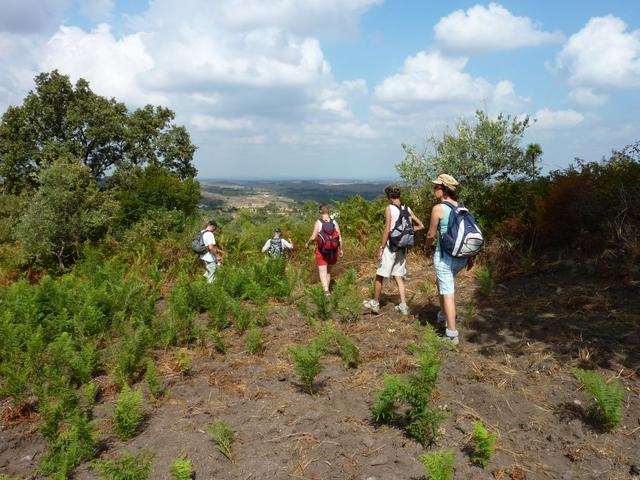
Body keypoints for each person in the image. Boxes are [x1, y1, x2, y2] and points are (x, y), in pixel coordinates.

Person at [425, 174, 473, 344]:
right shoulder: (461, 207)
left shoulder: (438, 208)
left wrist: (426, 246)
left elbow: (431, 234)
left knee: (448, 293)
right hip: (461, 258)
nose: (434, 189)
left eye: (436, 187)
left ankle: (452, 334)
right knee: (442, 284)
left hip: (445, 257)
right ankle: (443, 315)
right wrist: (469, 257)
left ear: (444, 189)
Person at [363, 184, 424, 315]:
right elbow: (421, 225)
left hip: (391, 246)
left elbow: (387, 229)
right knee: (398, 276)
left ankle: (375, 303)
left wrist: (381, 248)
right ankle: (403, 306)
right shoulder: (407, 209)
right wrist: (407, 232)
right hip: (403, 247)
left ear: (390, 196)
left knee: (380, 275)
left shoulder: (389, 208)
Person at [304, 204, 343, 295]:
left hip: (321, 251)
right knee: (328, 271)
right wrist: (341, 249)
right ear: (328, 211)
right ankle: (327, 290)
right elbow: (339, 237)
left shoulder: (318, 222)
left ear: (320, 211)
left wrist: (307, 243)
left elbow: (313, 237)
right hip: (333, 251)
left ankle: (326, 292)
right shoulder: (334, 222)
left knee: (322, 271)